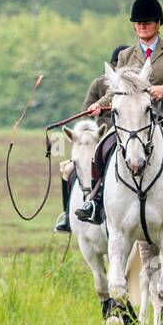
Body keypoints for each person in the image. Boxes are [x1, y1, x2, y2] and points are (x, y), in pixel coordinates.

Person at [73, 0, 163, 226]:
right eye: (138, 22)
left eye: (147, 22)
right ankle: (95, 200)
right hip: (134, 121)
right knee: (102, 148)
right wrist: (99, 106)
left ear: (158, 24)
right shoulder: (125, 55)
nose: (142, 25)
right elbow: (115, 92)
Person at [53, 42, 129, 233]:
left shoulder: (135, 84)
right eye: (116, 64)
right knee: (68, 169)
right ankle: (68, 215)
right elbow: (86, 114)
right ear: (112, 66)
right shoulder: (99, 84)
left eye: (123, 64)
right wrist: (99, 119)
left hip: (128, 135)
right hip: (100, 138)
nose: (119, 68)